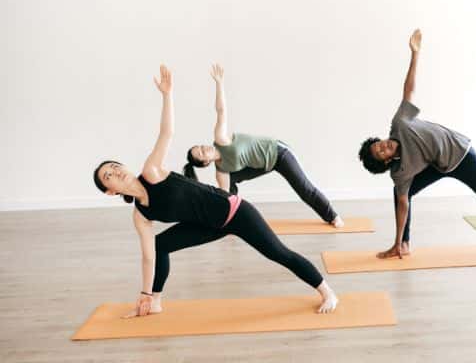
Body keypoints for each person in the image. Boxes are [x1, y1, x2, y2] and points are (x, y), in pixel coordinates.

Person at [93, 65, 338, 317]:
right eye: (108, 176)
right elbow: (147, 257)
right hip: (210, 225)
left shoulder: (151, 171)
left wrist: (167, 95)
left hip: (236, 212)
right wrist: (144, 294)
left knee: (278, 253)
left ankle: (327, 292)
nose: (115, 171)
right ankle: (155, 302)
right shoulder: (141, 215)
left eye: (114, 166)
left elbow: (167, 132)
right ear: (110, 192)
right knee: (159, 245)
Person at [357, 29, 476, 259]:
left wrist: (415, 54)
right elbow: (402, 205)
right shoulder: (399, 173)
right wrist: (396, 242)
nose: (383, 146)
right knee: (401, 193)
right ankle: (404, 245)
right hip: (437, 165)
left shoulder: (400, 124)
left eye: (379, 144)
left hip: (461, 154)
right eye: (380, 152)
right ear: (386, 161)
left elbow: (409, 90)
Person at [183, 63, 344, 228]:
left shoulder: (221, 139)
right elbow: (224, 198)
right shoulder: (221, 172)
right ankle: (235, 220)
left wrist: (219, 83)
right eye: (202, 153)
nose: (205, 149)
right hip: (263, 165)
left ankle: (332, 215)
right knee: (227, 189)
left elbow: (221, 110)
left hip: (278, 154)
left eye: (201, 147)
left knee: (304, 189)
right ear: (205, 163)